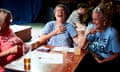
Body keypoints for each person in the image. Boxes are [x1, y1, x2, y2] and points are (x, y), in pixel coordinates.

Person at [75, 6, 120, 72]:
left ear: (104, 21)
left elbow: (117, 54)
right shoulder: (90, 27)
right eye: (92, 19)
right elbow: (80, 47)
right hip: (90, 56)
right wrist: (86, 34)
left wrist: (101, 61)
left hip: (104, 60)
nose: (93, 22)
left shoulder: (112, 33)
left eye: (96, 19)